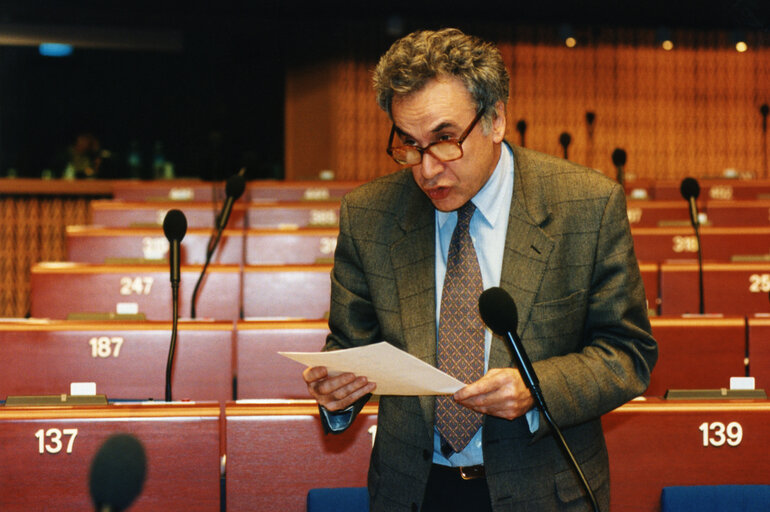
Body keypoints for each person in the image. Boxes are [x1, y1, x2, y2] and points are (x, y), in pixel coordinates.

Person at [303, 28, 657, 511]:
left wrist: (536, 388)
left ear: (495, 120)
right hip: (413, 491)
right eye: (409, 143)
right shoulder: (370, 215)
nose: (427, 169)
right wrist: (337, 390)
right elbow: (351, 346)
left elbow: (628, 353)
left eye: (445, 140)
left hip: (543, 491)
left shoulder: (587, 207)